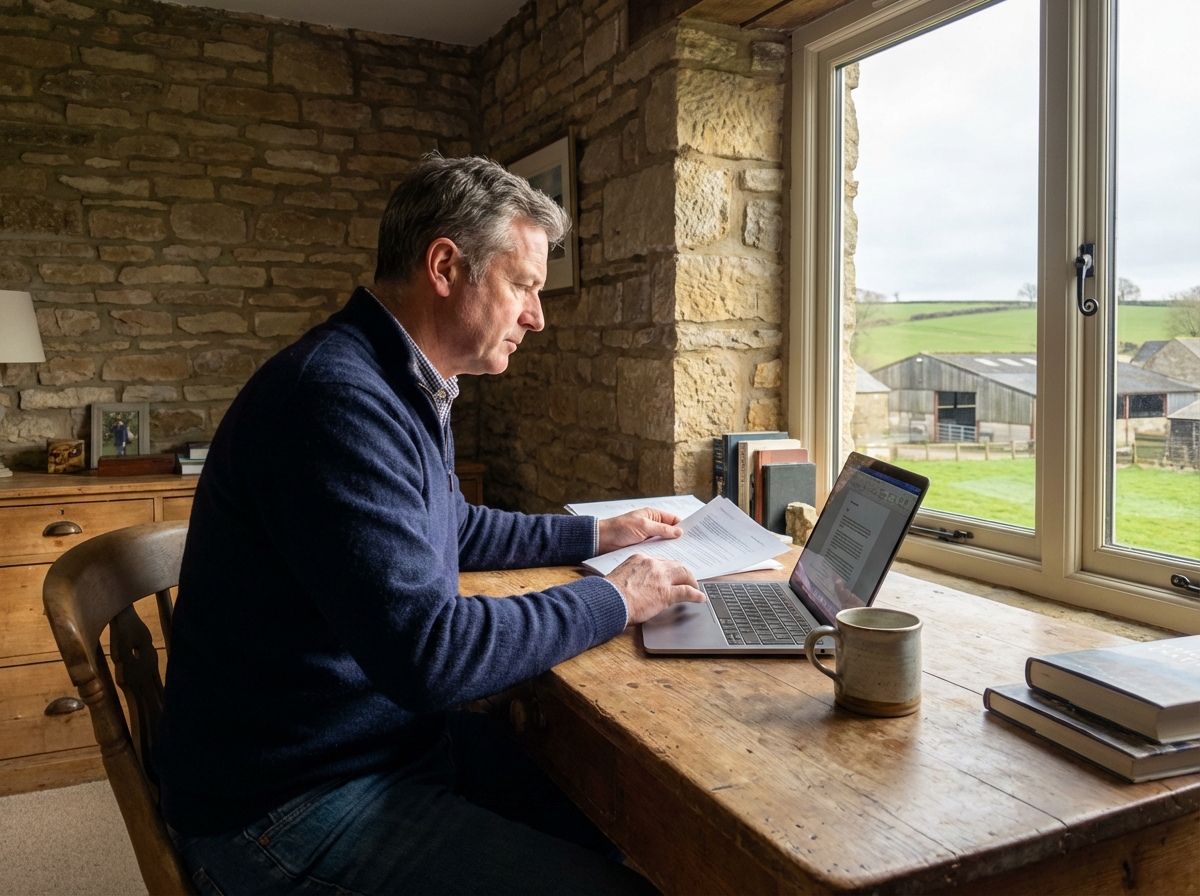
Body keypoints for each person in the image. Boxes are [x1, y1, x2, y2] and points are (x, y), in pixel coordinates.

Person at [152, 154, 706, 895]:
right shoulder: (335, 400)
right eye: (524, 286)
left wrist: (598, 537)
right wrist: (619, 598)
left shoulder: (401, 381)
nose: (537, 316)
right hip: (283, 807)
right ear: (445, 266)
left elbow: (454, 526)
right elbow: (431, 657)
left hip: (371, 748)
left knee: (629, 829)